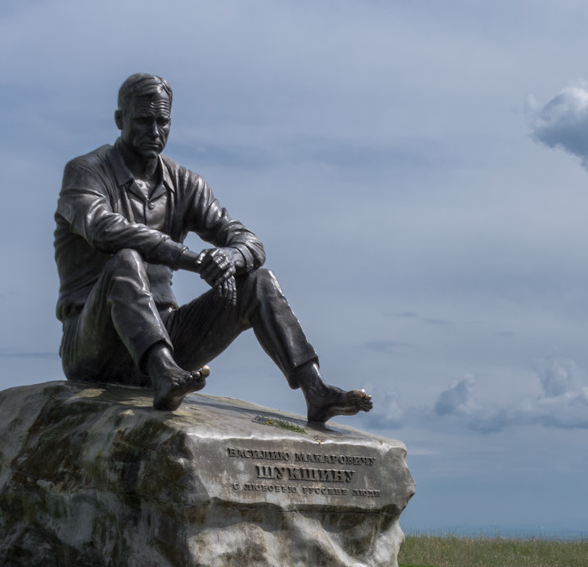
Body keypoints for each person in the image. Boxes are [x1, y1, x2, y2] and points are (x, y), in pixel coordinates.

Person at [53, 73, 372, 422]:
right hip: (93, 346)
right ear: (119, 120)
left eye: (163, 121)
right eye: (144, 121)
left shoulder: (186, 184)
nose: (155, 132)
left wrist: (229, 258)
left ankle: (315, 390)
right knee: (126, 260)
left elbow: (249, 241)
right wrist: (194, 260)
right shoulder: (85, 173)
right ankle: (164, 374)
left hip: (167, 333)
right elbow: (103, 229)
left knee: (258, 281)